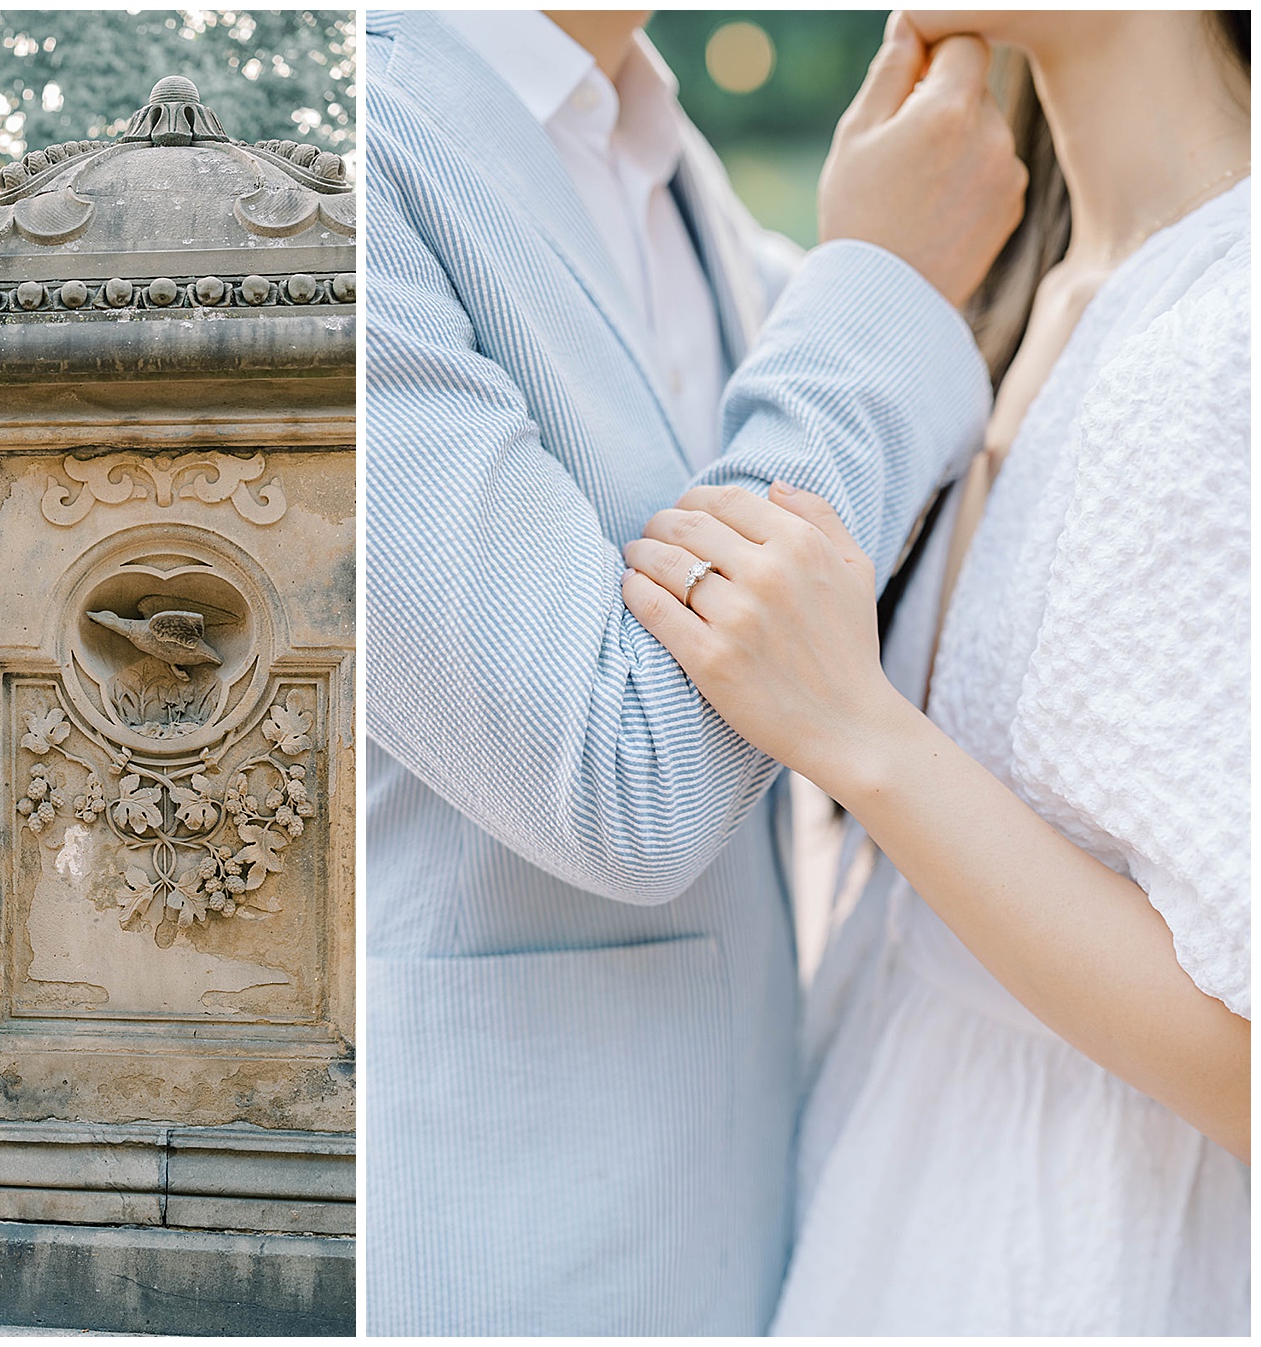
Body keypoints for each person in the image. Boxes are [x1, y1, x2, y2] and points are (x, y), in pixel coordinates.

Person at [365, 8, 1024, 1335]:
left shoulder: (664, 151)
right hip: (495, 1263)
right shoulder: (358, 148)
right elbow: (628, 779)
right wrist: (881, 281)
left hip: (784, 1231)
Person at [622, 10, 1250, 1334]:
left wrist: (863, 733)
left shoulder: (1233, 322)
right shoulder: (1024, 290)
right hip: (892, 1196)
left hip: (1088, 1254)